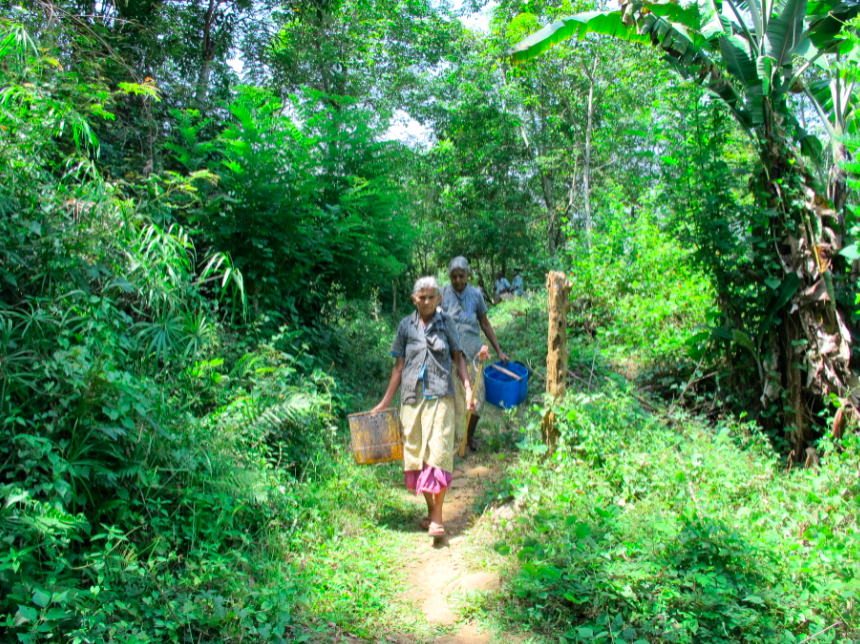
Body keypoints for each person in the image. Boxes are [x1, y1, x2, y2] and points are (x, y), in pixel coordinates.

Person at [372, 276, 476, 537]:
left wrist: (467, 388)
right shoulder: (405, 326)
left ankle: (438, 519)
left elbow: (458, 359)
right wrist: (385, 402)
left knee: (438, 454)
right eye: (422, 297)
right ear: (414, 299)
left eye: (431, 297)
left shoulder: (446, 323)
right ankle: (430, 509)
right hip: (411, 398)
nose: (427, 301)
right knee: (416, 455)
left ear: (439, 299)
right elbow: (398, 368)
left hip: (441, 395)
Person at [442, 257, 510, 452]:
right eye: (453, 276)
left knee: (477, 397)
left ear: (467, 275)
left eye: (461, 276)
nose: (457, 280)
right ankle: (453, 437)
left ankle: (469, 435)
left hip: (474, 355)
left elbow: (485, 324)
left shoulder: (475, 295)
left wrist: (499, 350)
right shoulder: (443, 294)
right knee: (453, 399)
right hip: (450, 356)